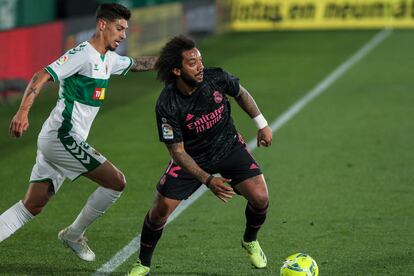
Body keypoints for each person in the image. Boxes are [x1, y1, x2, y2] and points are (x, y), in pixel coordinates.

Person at [0, 3, 157, 262]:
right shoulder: (82, 54)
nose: (123, 35)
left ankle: (72, 234)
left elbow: (141, 63)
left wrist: (177, 62)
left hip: (62, 141)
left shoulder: (110, 60)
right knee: (116, 182)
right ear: (102, 24)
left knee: (31, 206)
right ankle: (73, 234)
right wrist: (22, 112)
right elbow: (41, 76)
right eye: (119, 28)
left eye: (125, 30)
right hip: (61, 136)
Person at [127, 35, 272, 275]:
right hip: (192, 158)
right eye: (192, 63)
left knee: (260, 198)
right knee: (160, 210)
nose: (200, 66)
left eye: (200, 60)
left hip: (228, 147)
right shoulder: (167, 104)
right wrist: (207, 179)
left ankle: (250, 240)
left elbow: (241, 93)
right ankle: (143, 263)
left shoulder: (215, 78)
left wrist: (262, 123)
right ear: (176, 70)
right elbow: (177, 152)